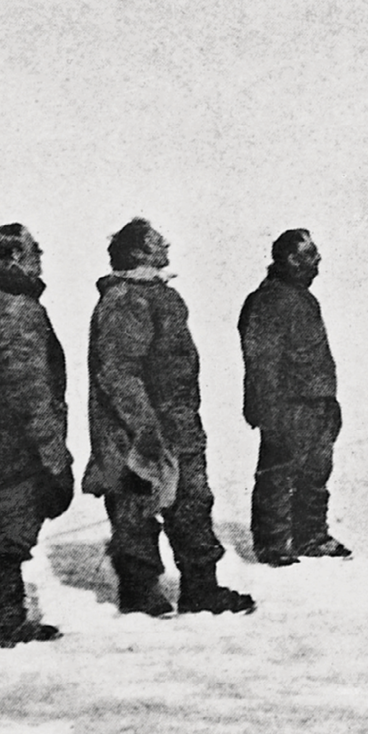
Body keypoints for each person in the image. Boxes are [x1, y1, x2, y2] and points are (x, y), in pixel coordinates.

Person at [83, 218, 255, 616]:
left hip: (178, 428)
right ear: (139, 252)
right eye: (158, 241)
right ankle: (140, 594)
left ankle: (201, 590)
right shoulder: (126, 300)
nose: (167, 244)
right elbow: (119, 373)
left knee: (193, 505)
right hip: (139, 434)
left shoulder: (160, 296)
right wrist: (145, 431)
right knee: (135, 511)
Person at [0, 224, 74, 647]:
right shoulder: (16, 309)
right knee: (10, 530)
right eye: (33, 247)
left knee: (7, 527)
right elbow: (28, 386)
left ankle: (4, 614)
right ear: (16, 257)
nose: (41, 252)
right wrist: (52, 452)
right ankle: (5, 620)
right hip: (16, 444)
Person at [237, 229, 349, 565]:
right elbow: (261, 360)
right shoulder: (269, 300)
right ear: (291, 259)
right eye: (311, 253)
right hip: (286, 405)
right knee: (277, 473)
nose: (318, 260)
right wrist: (266, 409)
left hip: (316, 404)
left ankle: (311, 536)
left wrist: (328, 402)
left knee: (315, 472)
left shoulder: (302, 297)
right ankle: (273, 545)